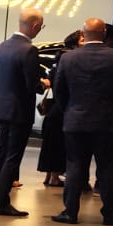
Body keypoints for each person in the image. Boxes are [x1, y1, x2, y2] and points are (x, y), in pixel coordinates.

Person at [51, 18, 113, 225]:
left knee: (75, 167)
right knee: (107, 169)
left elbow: (59, 91)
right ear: (104, 33)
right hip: (107, 122)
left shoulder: (68, 58)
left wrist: (69, 110)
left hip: (75, 121)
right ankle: (109, 214)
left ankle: (70, 212)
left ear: (82, 33)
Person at [0, 9, 44, 217]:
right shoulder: (29, 50)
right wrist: (43, 84)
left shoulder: (3, 46)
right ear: (35, 26)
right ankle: (1, 202)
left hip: (0, 107)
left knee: (1, 154)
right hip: (19, 110)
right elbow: (31, 84)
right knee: (12, 156)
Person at [38, 30, 82, 186]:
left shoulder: (58, 60)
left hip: (53, 109)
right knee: (59, 145)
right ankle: (55, 178)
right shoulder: (71, 61)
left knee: (50, 144)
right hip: (62, 109)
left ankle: (49, 176)